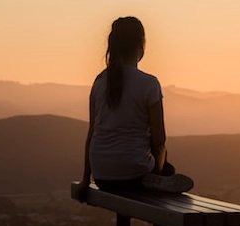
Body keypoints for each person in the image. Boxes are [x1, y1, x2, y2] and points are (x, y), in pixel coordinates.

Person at [73, 16, 193, 202]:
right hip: (135, 175)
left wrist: (85, 181)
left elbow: (92, 134)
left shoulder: (99, 82)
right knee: (165, 160)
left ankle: (158, 177)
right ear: (141, 45)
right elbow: (159, 140)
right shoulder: (149, 84)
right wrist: (158, 168)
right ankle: (160, 178)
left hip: (102, 176)